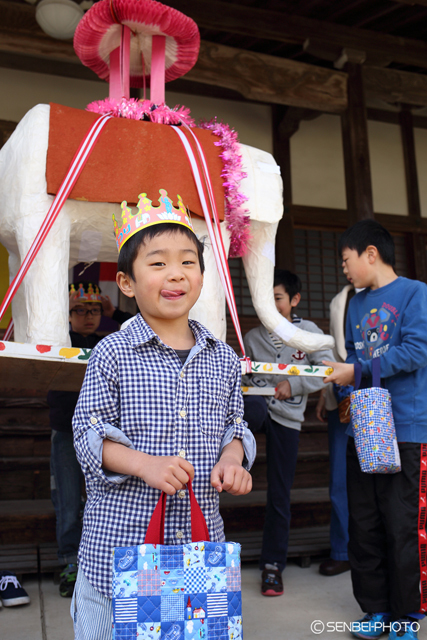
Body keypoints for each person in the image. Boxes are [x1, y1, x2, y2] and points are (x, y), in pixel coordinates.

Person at [71, 191, 255, 639]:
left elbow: (236, 425)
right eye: (157, 263)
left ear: (202, 276)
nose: (175, 273)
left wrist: (232, 460)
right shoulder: (111, 353)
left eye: (188, 262)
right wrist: (144, 465)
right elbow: (88, 433)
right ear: (127, 282)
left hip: (197, 557)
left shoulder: (225, 359)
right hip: (115, 557)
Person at [324, 219, 427, 640]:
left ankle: (406, 617)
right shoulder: (352, 303)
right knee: (363, 523)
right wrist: (347, 390)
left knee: (401, 523)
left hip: (406, 427)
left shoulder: (415, 293)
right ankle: (376, 611)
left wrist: (358, 370)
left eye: (346, 261)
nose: (344, 270)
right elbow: (353, 361)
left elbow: (417, 351)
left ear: (370, 253)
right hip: (363, 426)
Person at [242, 269, 334, 596]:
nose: (270, 304)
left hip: (289, 417)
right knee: (246, 411)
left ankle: (272, 566)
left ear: (294, 300)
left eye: (276, 298)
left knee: (279, 492)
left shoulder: (308, 332)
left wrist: (292, 383)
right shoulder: (252, 338)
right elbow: (246, 378)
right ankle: (233, 458)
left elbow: (326, 369)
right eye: (265, 299)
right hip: (258, 409)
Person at [47, 282, 132, 598]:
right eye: (79, 310)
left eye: (94, 310)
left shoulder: (109, 343)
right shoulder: (60, 338)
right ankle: (70, 563)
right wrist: (60, 306)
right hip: (66, 434)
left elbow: (139, 326)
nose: (87, 316)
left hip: (104, 436)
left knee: (107, 499)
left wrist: (115, 313)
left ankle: (101, 563)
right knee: (68, 502)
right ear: (67, 314)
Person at [315, 281, 355, 577]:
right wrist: (324, 393)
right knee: (340, 480)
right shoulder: (341, 299)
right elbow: (337, 349)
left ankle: (376, 550)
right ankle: (342, 550)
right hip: (341, 400)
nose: (344, 267)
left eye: (347, 259)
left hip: (383, 400)